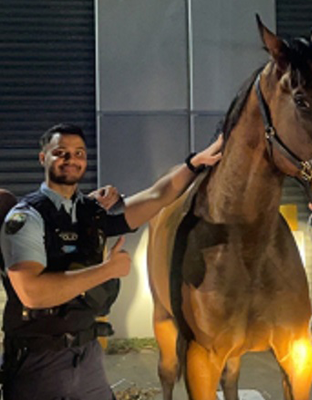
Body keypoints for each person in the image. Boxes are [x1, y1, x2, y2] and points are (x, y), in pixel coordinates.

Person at [0, 123, 223, 400]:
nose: (72, 159)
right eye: (61, 152)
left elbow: (156, 196)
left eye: (79, 153)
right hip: (39, 359)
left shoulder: (90, 213)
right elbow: (33, 293)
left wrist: (194, 164)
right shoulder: (26, 218)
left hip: (88, 355)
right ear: (43, 158)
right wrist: (106, 271)